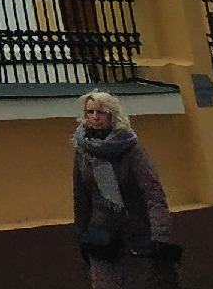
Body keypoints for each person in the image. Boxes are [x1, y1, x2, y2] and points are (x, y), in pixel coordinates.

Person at [72, 91, 181, 288]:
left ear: (112, 115)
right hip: (101, 236)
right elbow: (81, 198)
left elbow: (153, 193)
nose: (95, 117)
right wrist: (81, 238)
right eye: (90, 112)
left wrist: (160, 235)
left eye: (101, 112)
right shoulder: (83, 152)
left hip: (135, 234)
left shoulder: (131, 150)